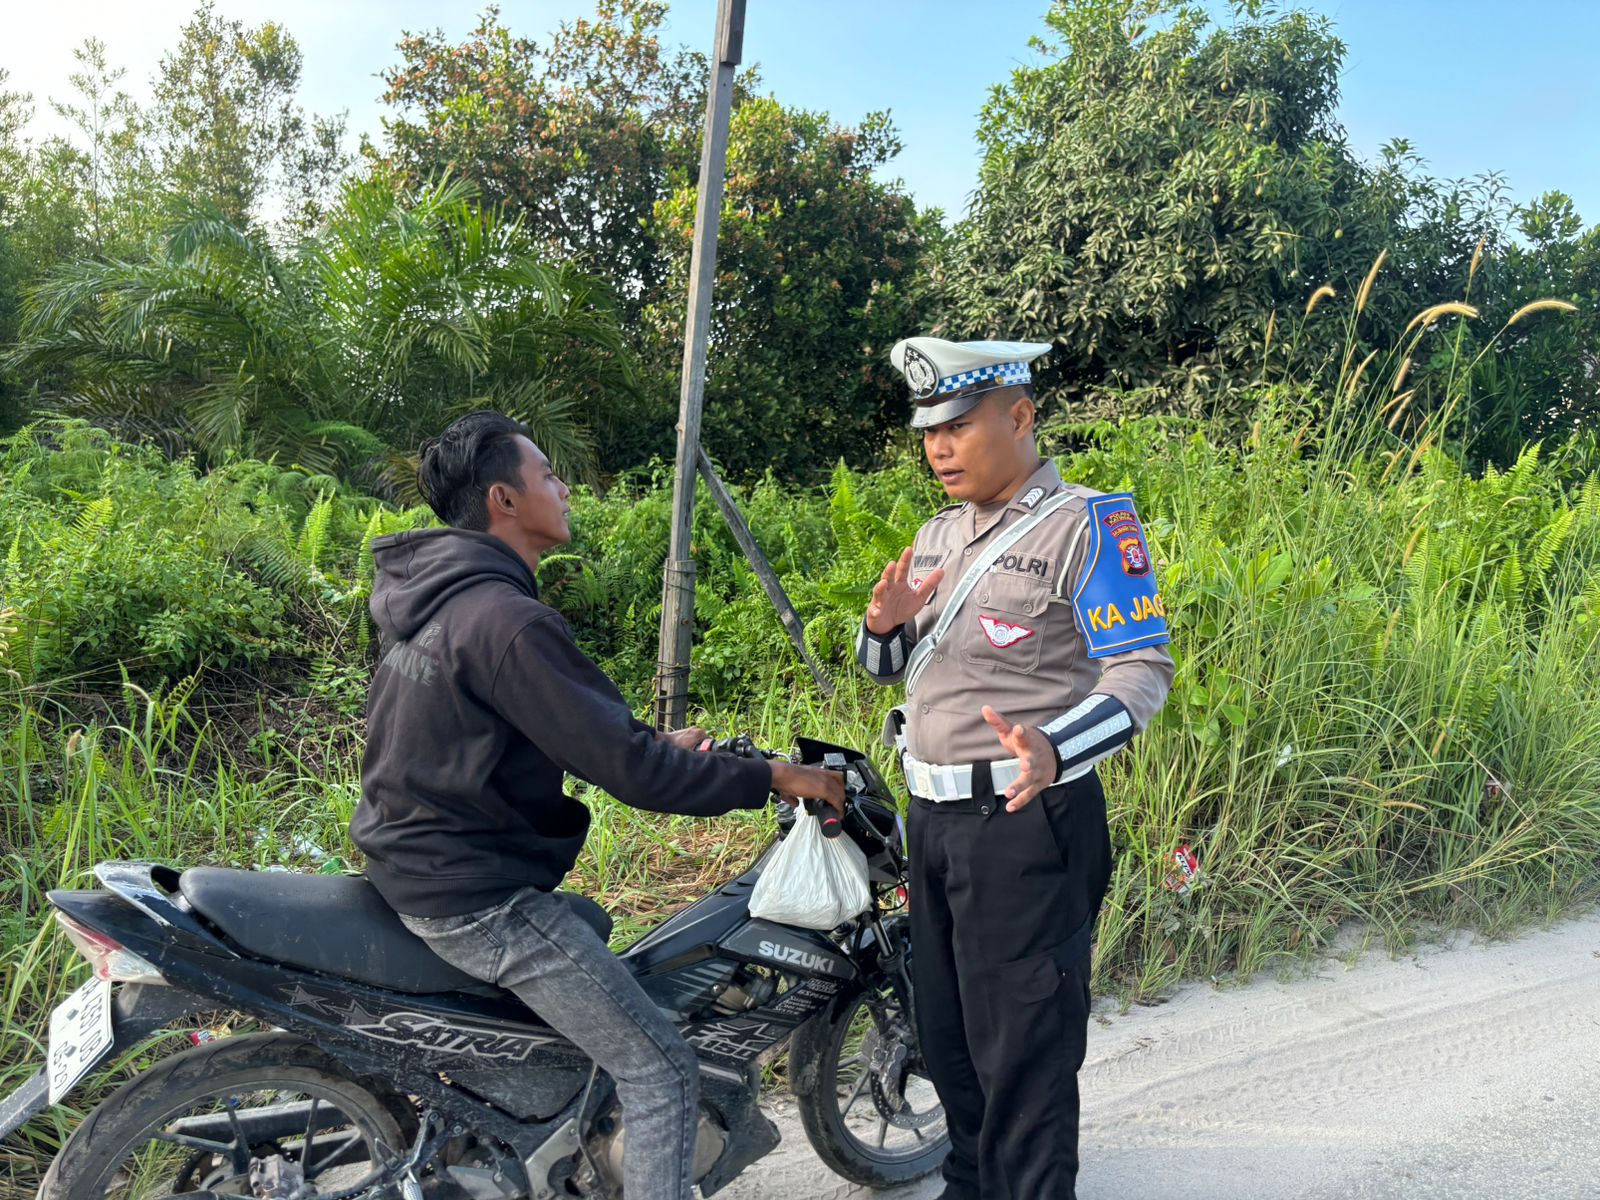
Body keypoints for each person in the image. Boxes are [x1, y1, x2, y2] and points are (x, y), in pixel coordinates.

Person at [349, 410, 843, 1200]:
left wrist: (644, 742)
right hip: (475, 898)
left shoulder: (441, 600)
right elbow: (637, 778)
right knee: (661, 1069)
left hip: (417, 863)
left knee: (595, 928)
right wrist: (775, 778)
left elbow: (522, 735)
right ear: (505, 500)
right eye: (549, 474)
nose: (565, 485)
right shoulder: (508, 621)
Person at [856, 339, 1174, 1200]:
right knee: (950, 1036)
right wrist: (885, 627)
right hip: (933, 824)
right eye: (929, 431)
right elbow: (892, 671)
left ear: (1021, 416)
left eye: (959, 425)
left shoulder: (1089, 524)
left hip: (1027, 821)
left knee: (1024, 1054)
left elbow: (1143, 673)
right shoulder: (935, 536)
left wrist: (1058, 747)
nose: (939, 448)